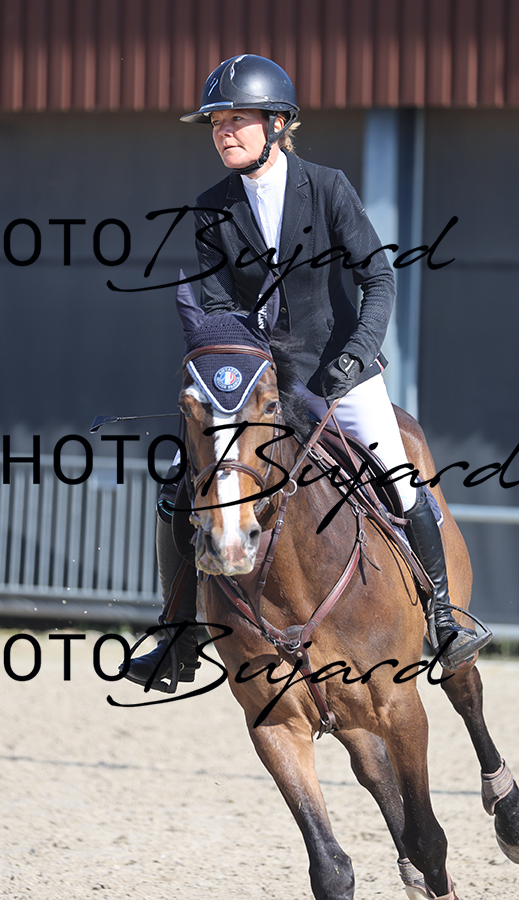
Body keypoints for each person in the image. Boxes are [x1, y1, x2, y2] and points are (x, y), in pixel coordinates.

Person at [124, 54, 488, 689]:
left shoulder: (326, 187)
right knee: (180, 482)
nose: (223, 132)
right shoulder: (211, 208)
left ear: (277, 124)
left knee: (399, 478)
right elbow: (217, 306)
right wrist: (235, 372)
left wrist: (358, 352)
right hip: (260, 385)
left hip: (337, 374)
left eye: (237, 121)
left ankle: (443, 617)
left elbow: (378, 277)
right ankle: (176, 635)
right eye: (217, 123)